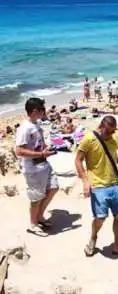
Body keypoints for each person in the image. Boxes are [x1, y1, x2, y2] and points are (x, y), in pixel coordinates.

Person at [75, 115, 118, 257]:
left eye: (113, 131)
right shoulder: (89, 139)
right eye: (108, 131)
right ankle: (93, 237)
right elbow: (78, 160)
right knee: (100, 217)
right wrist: (85, 180)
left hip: (116, 182)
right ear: (101, 127)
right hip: (98, 185)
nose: (111, 134)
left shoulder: (117, 136)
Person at [15, 97, 59, 237]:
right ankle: (33, 224)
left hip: (44, 164)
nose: (44, 113)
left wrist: (48, 148)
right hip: (32, 169)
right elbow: (19, 151)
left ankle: (39, 216)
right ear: (35, 111)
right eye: (42, 110)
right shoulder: (24, 128)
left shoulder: (37, 125)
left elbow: (40, 144)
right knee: (36, 198)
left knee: (54, 187)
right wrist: (41, 153)